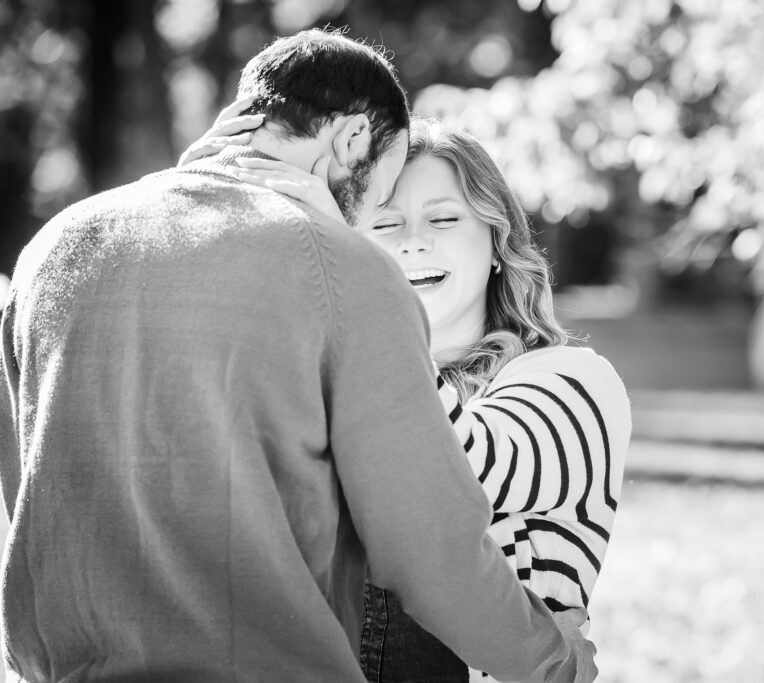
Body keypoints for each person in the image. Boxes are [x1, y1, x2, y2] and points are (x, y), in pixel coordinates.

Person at [0, 29, 596, 682]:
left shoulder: (53, 249)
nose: (370, 221)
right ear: (350, 140)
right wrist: (554, 656)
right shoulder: (343, 268)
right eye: (383, 189)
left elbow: (28, 490)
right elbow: (428, 548)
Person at [188, 114, 632, 681]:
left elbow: (453, 479)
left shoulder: (573, 381)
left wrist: (355, 277)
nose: (413, 241)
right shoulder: (335, 388)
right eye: (384, 224)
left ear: (498, 242)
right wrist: (194, 204)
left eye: (444, 218)